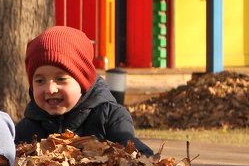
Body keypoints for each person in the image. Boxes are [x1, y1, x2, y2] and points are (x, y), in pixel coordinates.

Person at [14, 25, 153, 156]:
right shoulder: (26, 129)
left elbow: (136, 157)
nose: (50, 89)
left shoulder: (110, 118)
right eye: (40, 81)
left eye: (61, 79)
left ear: (83, 80)